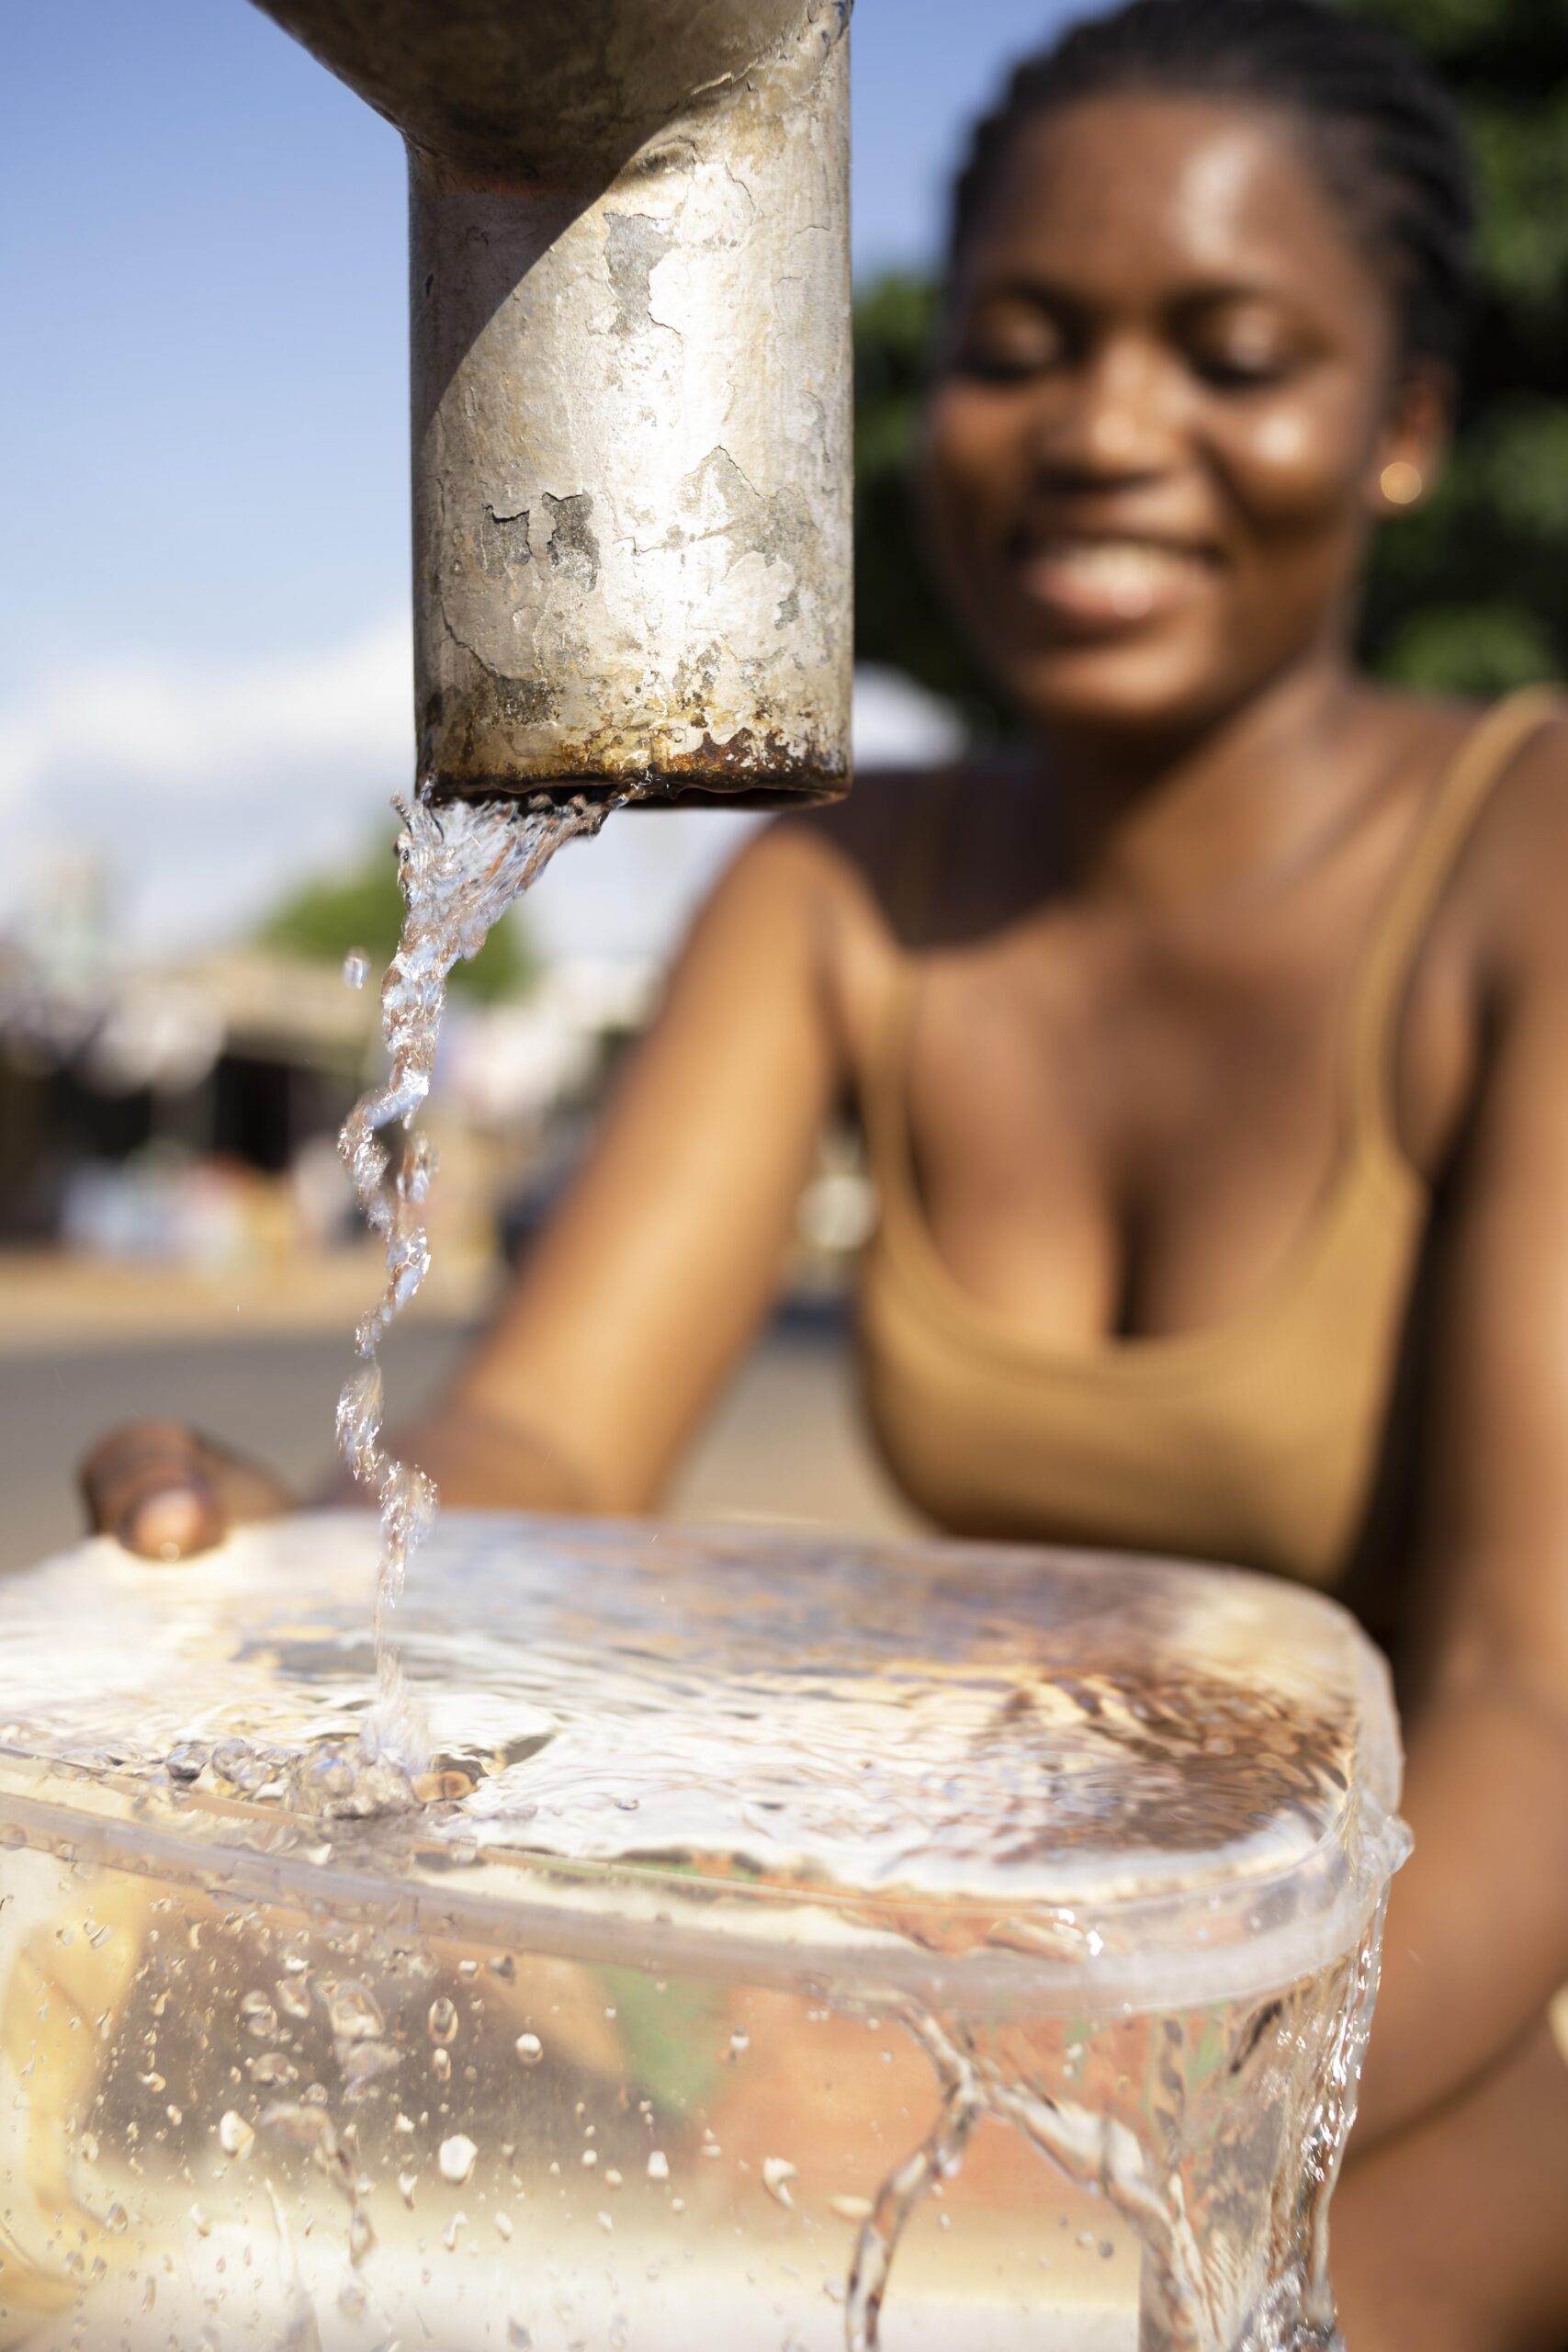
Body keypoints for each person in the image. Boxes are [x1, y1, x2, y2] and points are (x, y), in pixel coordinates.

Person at [85, 1, 1568, 2340]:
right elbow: (558, 1438)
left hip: (1438, 1975)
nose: (1101, 431)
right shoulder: (841, 892)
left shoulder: (1526, 868)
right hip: (971, 1975)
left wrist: (1085, 2102)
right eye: (1019, 345)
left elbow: (1523, 1689)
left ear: (1397, 430)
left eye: (1230, 353)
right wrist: (313, 1576)